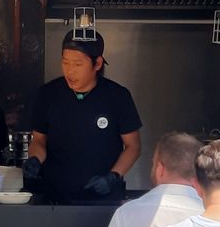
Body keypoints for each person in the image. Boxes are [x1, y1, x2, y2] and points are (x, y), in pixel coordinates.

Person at [25, 31, 141, 204]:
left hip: (101, 200)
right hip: (55, 199)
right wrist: (34, 160)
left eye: (78, 64)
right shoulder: (48, 94)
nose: (70, 71)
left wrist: (113, 176)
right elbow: (39, 139)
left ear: (97, 63)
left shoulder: (117, 96)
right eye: (65, 63)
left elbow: (133, 146)